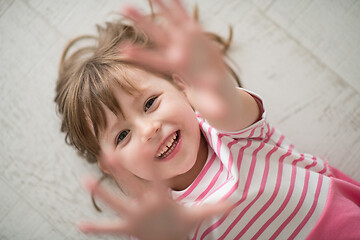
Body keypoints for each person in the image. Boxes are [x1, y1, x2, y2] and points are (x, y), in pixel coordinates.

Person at [55, 0, 360, 239]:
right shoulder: (153, 219)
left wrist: (211, 79)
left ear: (183, 87)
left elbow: (225, 104)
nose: (148, 129)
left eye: (150, 103)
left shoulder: (226, 128)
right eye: (122, 136)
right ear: (111, 165)